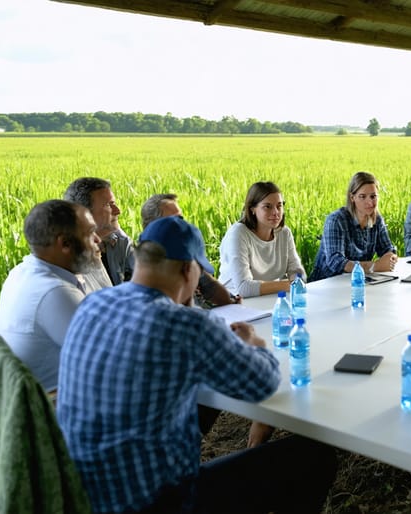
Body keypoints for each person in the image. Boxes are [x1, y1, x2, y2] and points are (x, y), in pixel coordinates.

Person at [56, 216, 336, 514]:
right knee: (315, 456)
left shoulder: (93, 304)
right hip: (156, 501)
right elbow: (262, 383)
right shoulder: (184, 325)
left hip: (84, 494)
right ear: (189, 269)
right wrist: (255, 346)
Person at [0, 199, 101, 392]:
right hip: (49, 409)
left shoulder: (21, 272)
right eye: (90, 233)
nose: (98, 240)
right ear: (65, 244)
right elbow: (108, 360)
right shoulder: (55, 292)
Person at [141, 193, 240, 308]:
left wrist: (231, 301)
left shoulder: (182, 251)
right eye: (173, 221)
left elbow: (210, 286)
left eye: (181, 218)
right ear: (153, 226)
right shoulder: (146, 262)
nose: (182, 225)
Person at [218, 181, 305, 297]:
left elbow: (297, 272)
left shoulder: (284, 233)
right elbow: (244, 287)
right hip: (233, 302)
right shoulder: (238, 234)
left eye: (279, 206)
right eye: (267, 207)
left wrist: (295, 281)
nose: (276, 212)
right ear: (252, 209)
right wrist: (287, 285)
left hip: (269, 297)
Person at [310, 171, 398, 281]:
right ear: (352, 197)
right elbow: (335, 261)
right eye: (362, 197)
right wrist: (373, 266)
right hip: (328, 283)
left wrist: (390, 258)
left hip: (359, 281)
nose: (370, 202)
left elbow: (388, 249)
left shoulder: (377, 219)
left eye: (373, 196)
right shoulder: (336, 220)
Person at [64, 177, 134, 287]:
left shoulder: (120, 242)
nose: (118, 211)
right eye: (108, 205)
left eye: (114, 203)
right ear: (85, 213)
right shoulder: (66, 257)